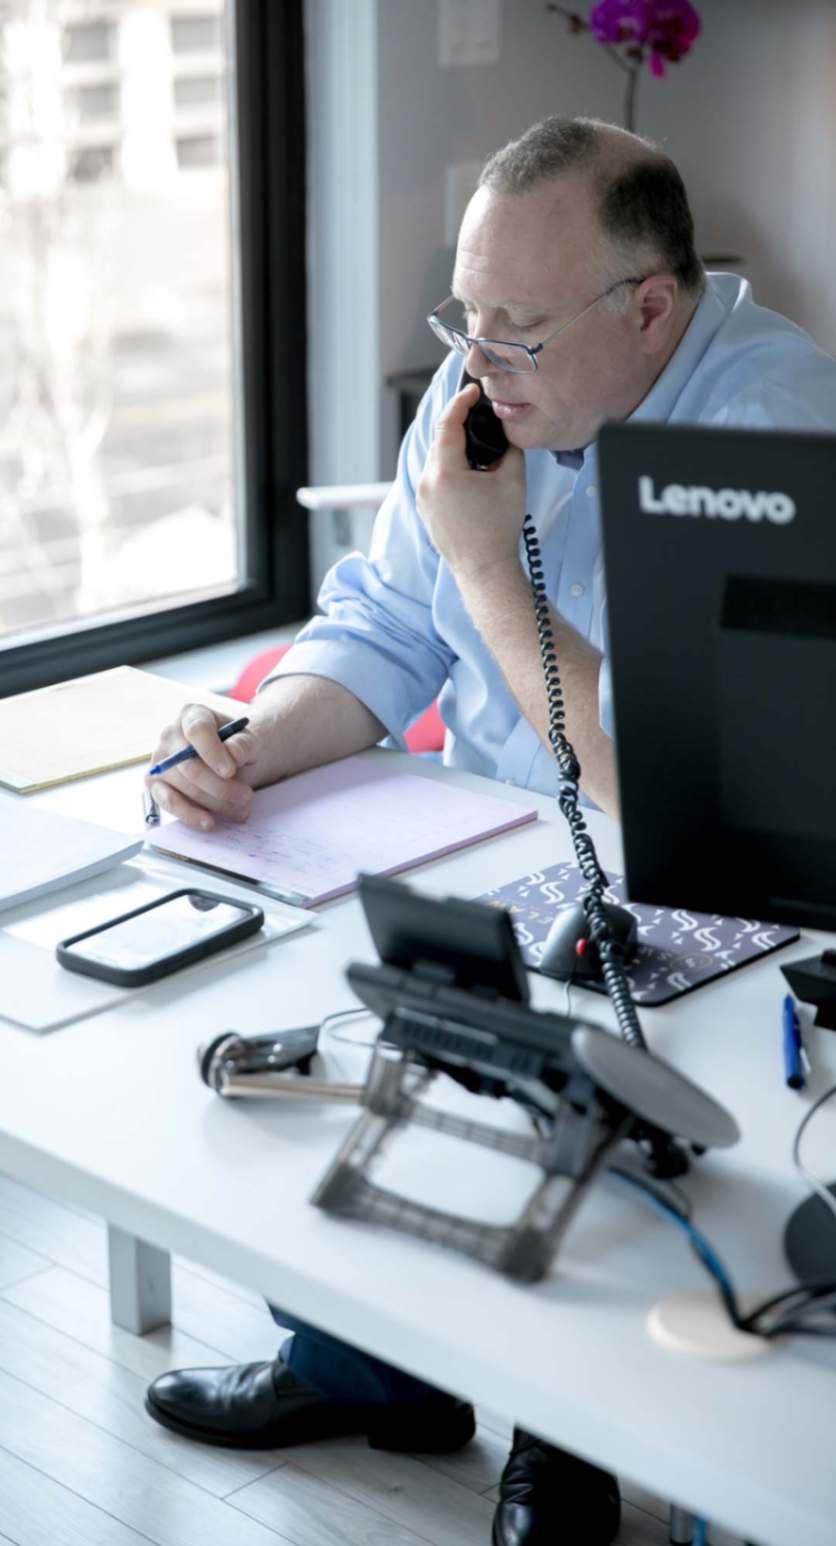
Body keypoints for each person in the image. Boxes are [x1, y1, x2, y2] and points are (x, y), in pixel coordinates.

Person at [142, 116, 836, 1546]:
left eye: (516, 328)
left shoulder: (767, 428)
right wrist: (252, 749)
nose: (479, 358)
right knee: (318, 1001)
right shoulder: (490, 395)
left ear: (649, 308)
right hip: (490, 846)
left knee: (632, 1122)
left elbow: (671, 776)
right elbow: (389, 624)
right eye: (466, 315)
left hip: (728, 894)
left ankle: (579, 1435)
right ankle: (372, 1364)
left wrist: (481, 554)